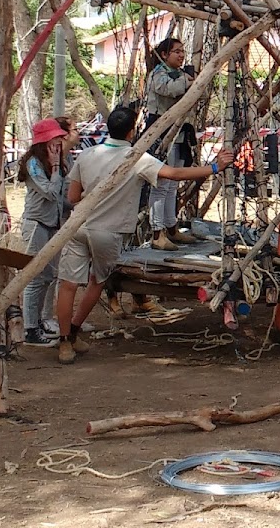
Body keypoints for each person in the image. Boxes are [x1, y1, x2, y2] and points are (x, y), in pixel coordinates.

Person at [56, 103, 226, 365]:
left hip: (77, 226)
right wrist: (215, 168)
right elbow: (174, 174)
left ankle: (64, 341)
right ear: (131, 131)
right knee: (96, 281)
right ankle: (75, 330)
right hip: (108, 231)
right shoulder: (137, 158)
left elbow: (73, 196)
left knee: (67, 285)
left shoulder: (87, 154)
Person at [144, 36, 201, 251]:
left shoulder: (181, 74)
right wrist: (189, 81)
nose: (181, 55)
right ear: (164, 54)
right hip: (162, 131)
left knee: (172, 185)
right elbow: (171, 89)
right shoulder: (158, 74)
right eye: (177, 51)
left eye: (182, 51)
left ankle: (171, 228)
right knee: (160, 184)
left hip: (179, 132)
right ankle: (157, 233)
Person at [17, 118, 71, 346]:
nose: (59, 142)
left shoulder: (59, 161)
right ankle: (30, 329)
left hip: (53, 225)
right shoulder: (34, 164)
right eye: (55, 139)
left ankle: (38, 322)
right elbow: (50, 192)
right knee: (35, 277)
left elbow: (62, 198)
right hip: (36, 224)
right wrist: (56, 168)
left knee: (48, 276)